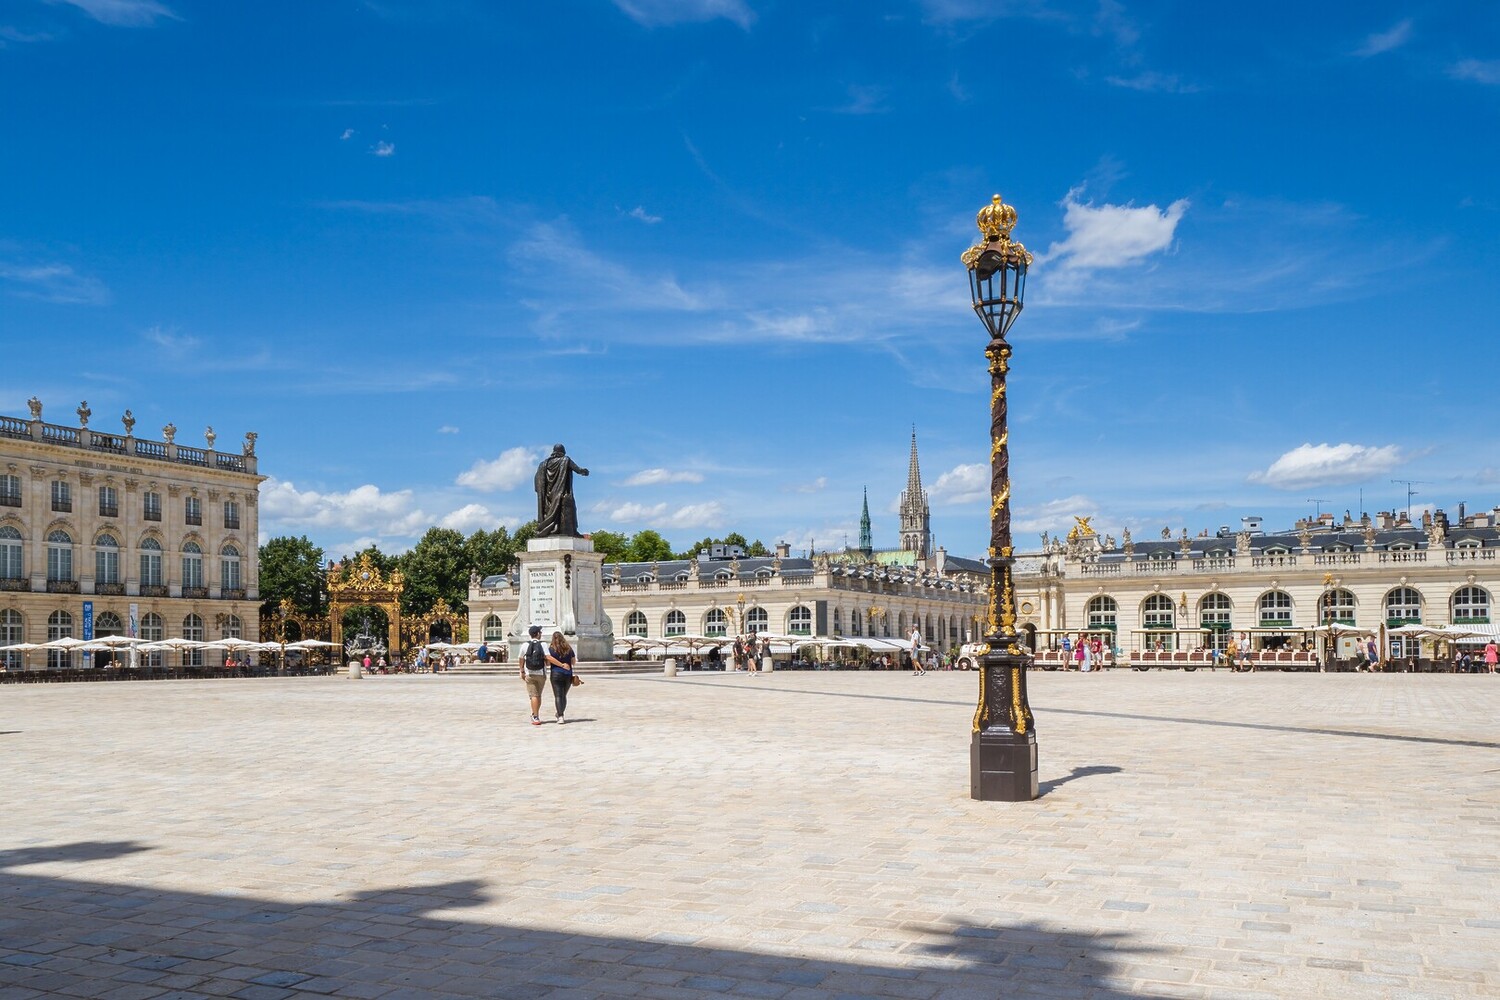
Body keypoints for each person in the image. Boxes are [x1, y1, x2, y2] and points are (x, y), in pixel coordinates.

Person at [533, 444, 589, 537]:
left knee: (552, 512)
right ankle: (569, 532)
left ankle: (552, 530)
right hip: (561, 493)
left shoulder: (543, 464)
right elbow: (578, 470)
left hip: (547, 495)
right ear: (563, 451)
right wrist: (585, 471)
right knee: (567, 509)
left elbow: (536, 480)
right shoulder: (565, 460)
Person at [519, 625, 549, 726]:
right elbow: (547, 658)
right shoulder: (543, 645)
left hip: (529, 673)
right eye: (540, 632)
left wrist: (522, 670)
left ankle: (535, 716)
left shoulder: (524, 645)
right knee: (538, 695)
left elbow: (521, 658)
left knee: (534, 696)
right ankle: (535, 714)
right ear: (538, 634)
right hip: (541, 673)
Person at [545, 631, 576, 724]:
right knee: (563, 696)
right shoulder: (569, 648)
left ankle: (560, 716)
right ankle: (560, 713)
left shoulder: (551, 649)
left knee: (558, 696)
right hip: (568, 674)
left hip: (556, 674)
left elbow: (547, 663)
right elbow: (573, 661)